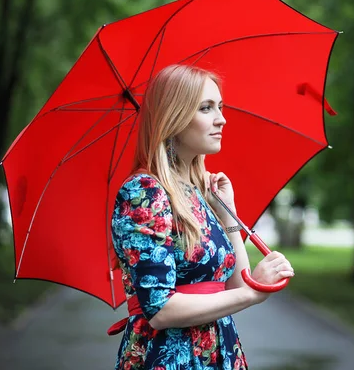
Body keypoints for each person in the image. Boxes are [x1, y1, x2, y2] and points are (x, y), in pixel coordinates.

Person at [109, 64, 295, 370]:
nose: (221, 119)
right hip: (170, 357)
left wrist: (227, 214)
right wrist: (253, 293)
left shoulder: (198, 192)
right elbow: (161, 309)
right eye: (206, 108)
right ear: (175, 117)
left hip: (218, 352)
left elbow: (234, 286)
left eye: (220, 107)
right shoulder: (144, 191)